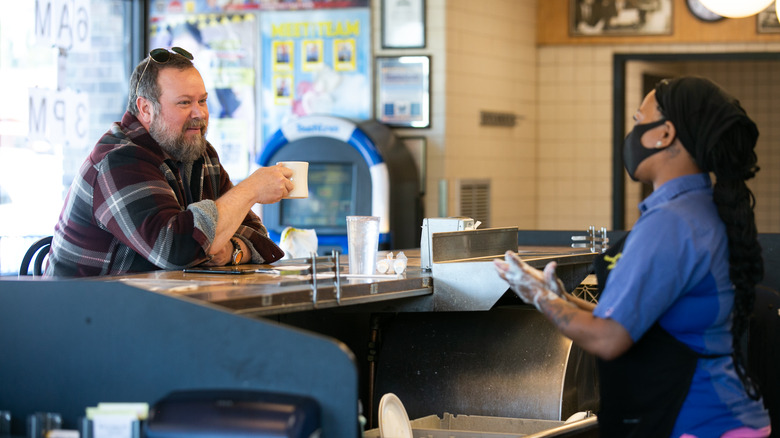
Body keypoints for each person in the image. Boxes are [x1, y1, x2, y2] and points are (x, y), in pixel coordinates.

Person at [495, 76, 771, 437]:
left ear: (664, 134)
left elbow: (609, 339)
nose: (633, 132)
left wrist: (541, 300)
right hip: (723, 418)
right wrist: (562, 299)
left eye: (639, 120)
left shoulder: (671, 223)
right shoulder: (696, 209)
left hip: (696, 422)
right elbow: (641, 323)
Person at [45, 47, 293, 277]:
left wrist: (231, 251)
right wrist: (249, 190)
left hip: (149, 308)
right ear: (145, 109)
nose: (199, 113)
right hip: (82, 314)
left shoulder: (199, 152)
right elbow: (176, 249)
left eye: (202, 101)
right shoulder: (119, 160)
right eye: (185, 102)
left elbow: (262, 241)